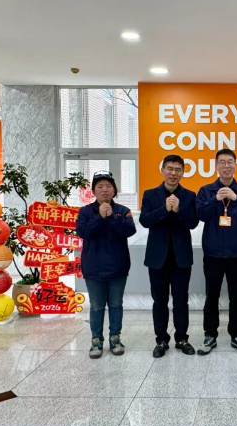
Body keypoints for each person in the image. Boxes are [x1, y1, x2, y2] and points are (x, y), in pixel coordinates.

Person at [195, 149, 237, 355]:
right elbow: (200, 215)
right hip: (212, 254)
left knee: (236, 297)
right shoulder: (206, 190)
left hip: (236, 254)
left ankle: (236, 334)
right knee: (211, 296)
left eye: (230, 162)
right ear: (216, 166)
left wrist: (236, 198)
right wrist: (215, 200)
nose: (226, 166)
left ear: (235, 165)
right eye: (222, 162)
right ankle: (210, 335)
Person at [140, 154, 199, 358]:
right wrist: (165, 209)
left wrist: (178, 209)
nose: (173, 173)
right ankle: (161, 340)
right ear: (163, 170)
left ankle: (182, 338)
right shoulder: (150, 194)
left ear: (183, 172)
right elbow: (145, 220)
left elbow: (193, 222)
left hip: (181, 258)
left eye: (178, 170)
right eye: (170, 169)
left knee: (181, 300)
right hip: (157, 258)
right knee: (160, 301)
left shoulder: (189, 195)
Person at [76, 171, 136, 359]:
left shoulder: (123, 210)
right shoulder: (85, 212)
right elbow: (83, 232)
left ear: (114, 190)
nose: (104, 190)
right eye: (100, 186)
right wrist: (99, 217)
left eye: (108, 186)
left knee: (116, 305)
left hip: (118, 267)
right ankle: (96, 340)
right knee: (96, 306)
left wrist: (112, 218)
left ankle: (115, 338)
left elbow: (129, 231)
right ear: (93, 190)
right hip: (93, 269)